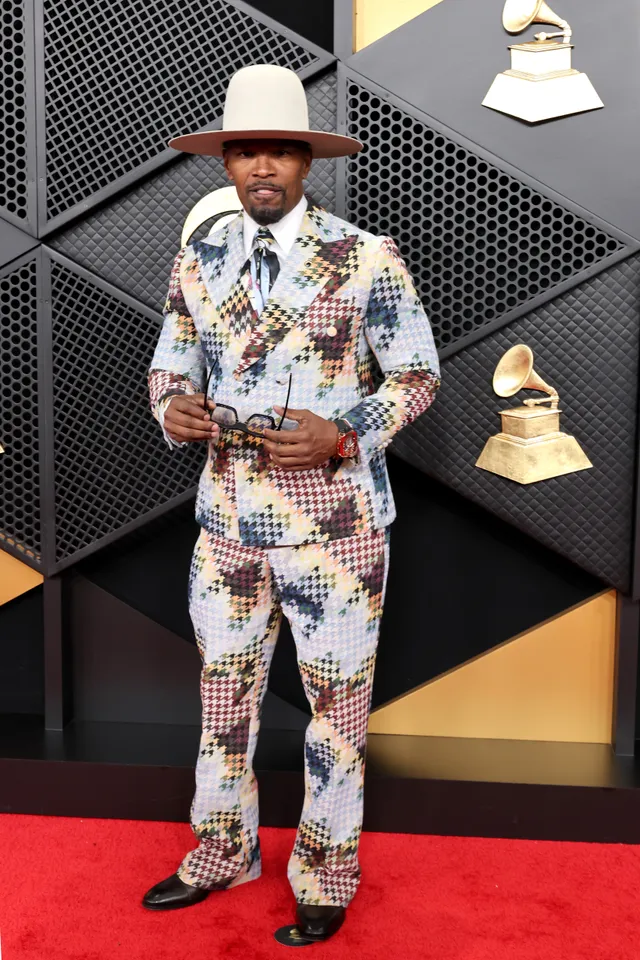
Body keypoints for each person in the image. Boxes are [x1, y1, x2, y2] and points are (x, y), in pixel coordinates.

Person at [143, 63, 440, 944]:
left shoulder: (366, 256)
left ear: (308, 161)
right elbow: (169, 362)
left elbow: (418, 376)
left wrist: (343, 432)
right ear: (227, 162)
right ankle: (220, 852)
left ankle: (326, 873)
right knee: (222, 703)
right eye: (246, 152)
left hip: (336, 532)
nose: (262, 166)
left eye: (279, 150)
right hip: (226, 526)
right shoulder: (199, 257)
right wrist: (173, 406)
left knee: (336, 717)